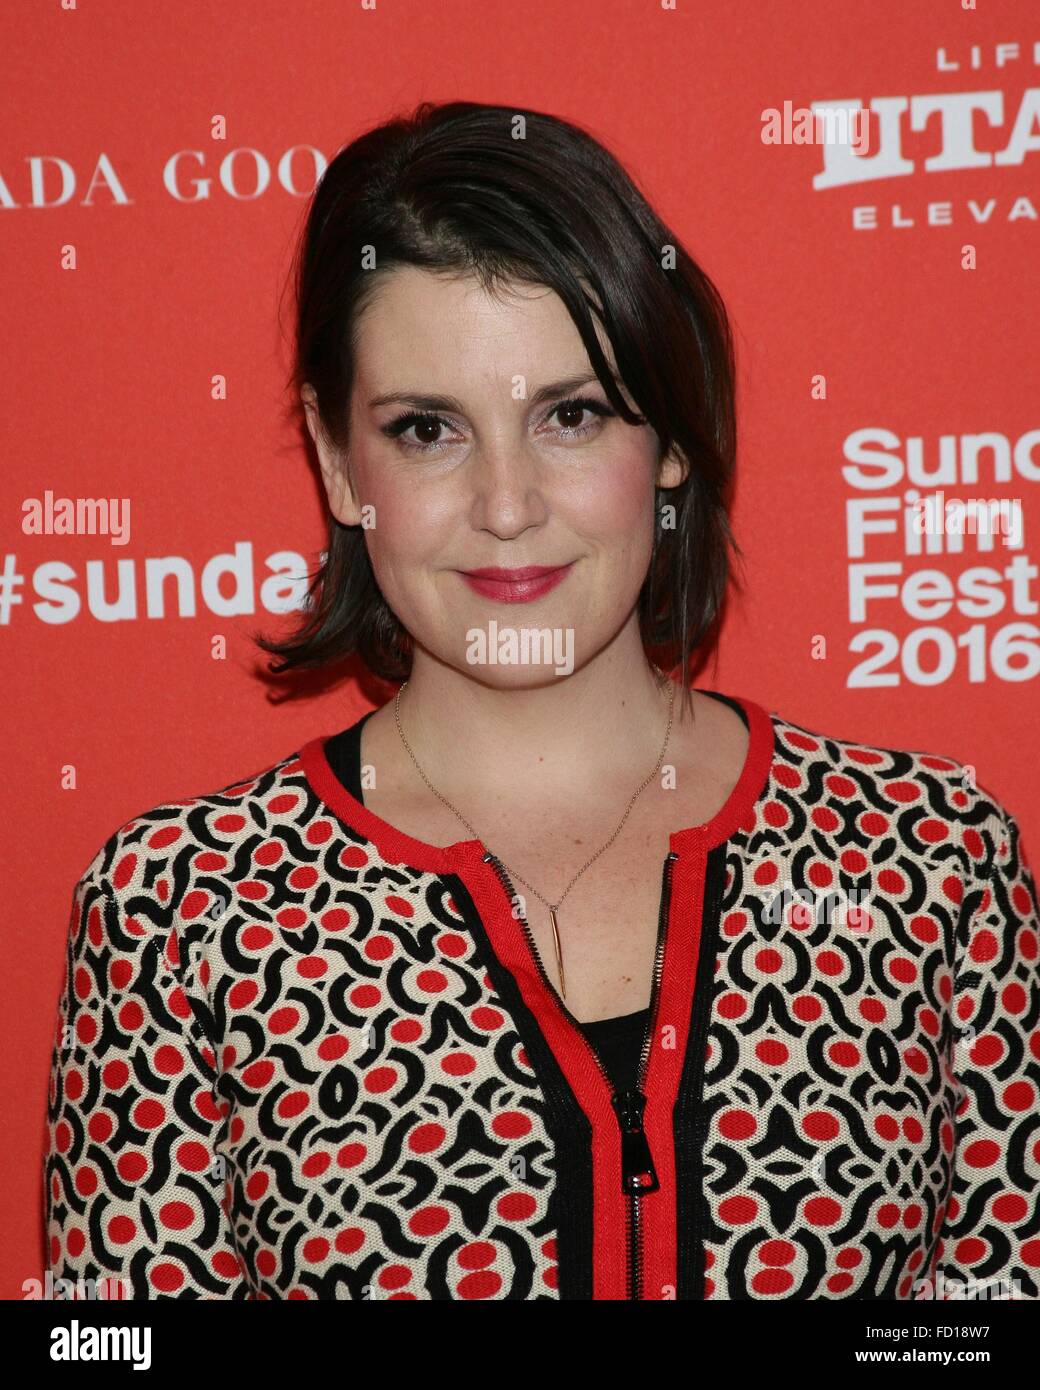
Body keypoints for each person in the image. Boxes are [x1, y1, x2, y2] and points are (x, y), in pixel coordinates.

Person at [44, 100, 1040, 1302]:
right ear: (334, 460)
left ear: (669, 436)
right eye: (426, 430)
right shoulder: (181, 912)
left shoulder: (925, 862)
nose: (507, 506)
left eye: (569, 416)